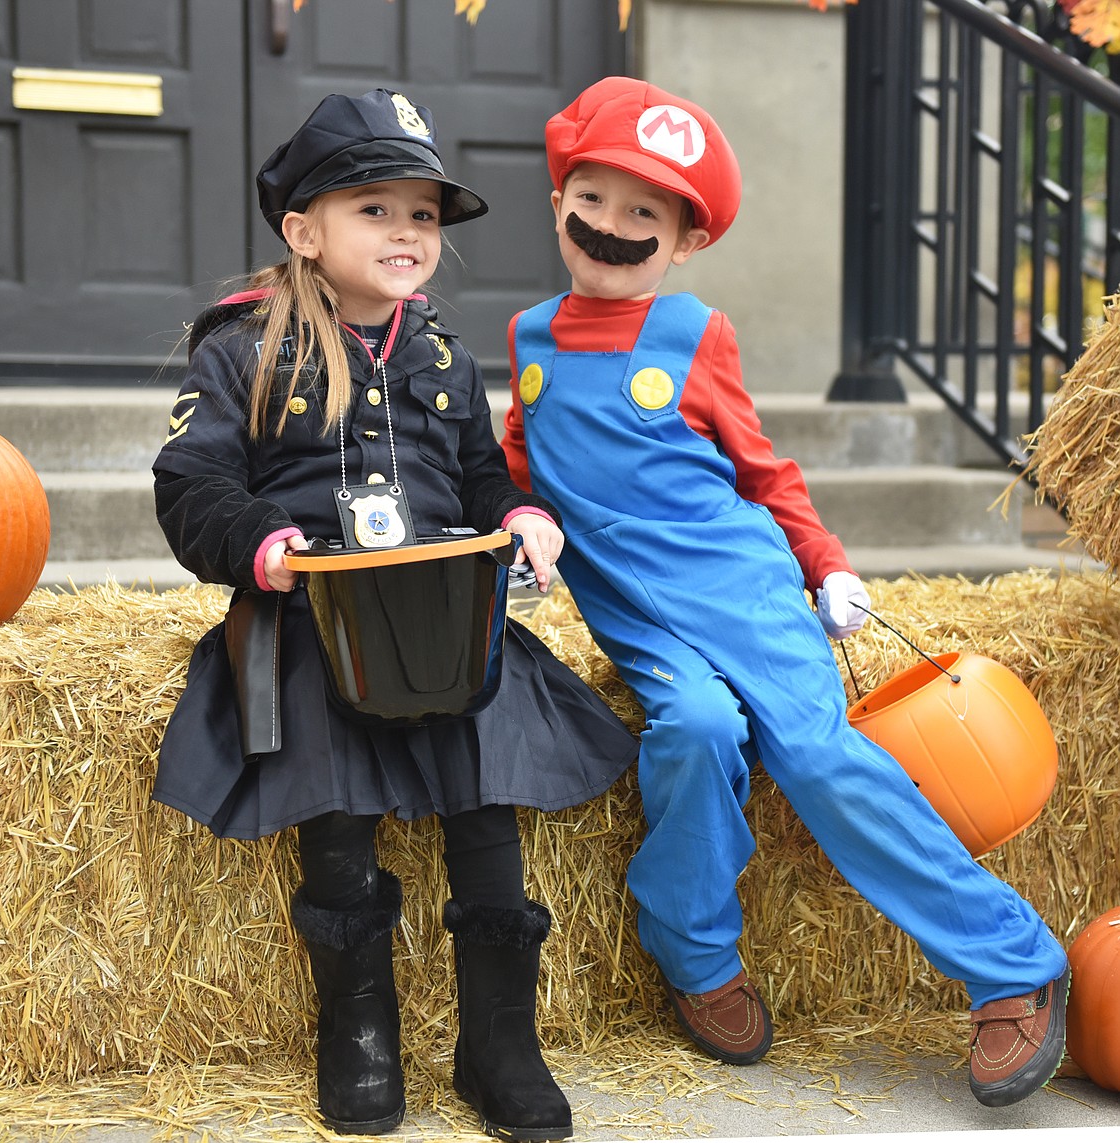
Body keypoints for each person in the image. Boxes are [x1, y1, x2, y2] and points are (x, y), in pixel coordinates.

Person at [500, 75, 1070, 1109]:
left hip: (746, 592)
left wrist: (828, 563)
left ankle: (1010, 961)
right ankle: (696, 954)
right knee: (696, 734)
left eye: (647, 214)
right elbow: (521, 465)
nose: (613, 227)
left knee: (814, 752)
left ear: (684, 242)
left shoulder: (693, 334)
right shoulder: (529, 336)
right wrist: (513, 526)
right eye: (596, 198)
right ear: (557, 201)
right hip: (639, 615)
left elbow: (765, 472)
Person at [151, 88, 637, 1142]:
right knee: (334, 802)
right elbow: (192, 484)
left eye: (422, 214)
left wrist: (520, 517)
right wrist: (263, 547)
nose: (407, 233)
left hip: (444, 623)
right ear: (304, 231)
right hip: (315, 621)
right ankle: (359, 1025)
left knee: (486, 792)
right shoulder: (243, 349)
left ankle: (499, 1039)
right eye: (374, 209)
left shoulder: (446, 358)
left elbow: (479, 477)